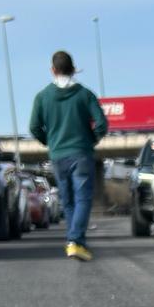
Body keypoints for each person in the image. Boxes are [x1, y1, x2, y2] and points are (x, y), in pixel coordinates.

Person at [28, 50, 108, 261]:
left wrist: (50, 142)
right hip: (81, 153)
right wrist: (90, 140)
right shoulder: (85, 94)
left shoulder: (42, 97)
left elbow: (34, 127)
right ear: (73, 69)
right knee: (83, 199)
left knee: (69, 201)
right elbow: (101, 124)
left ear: (52, 70)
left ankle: (74, 242)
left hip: (58, 156)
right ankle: (75, 240)